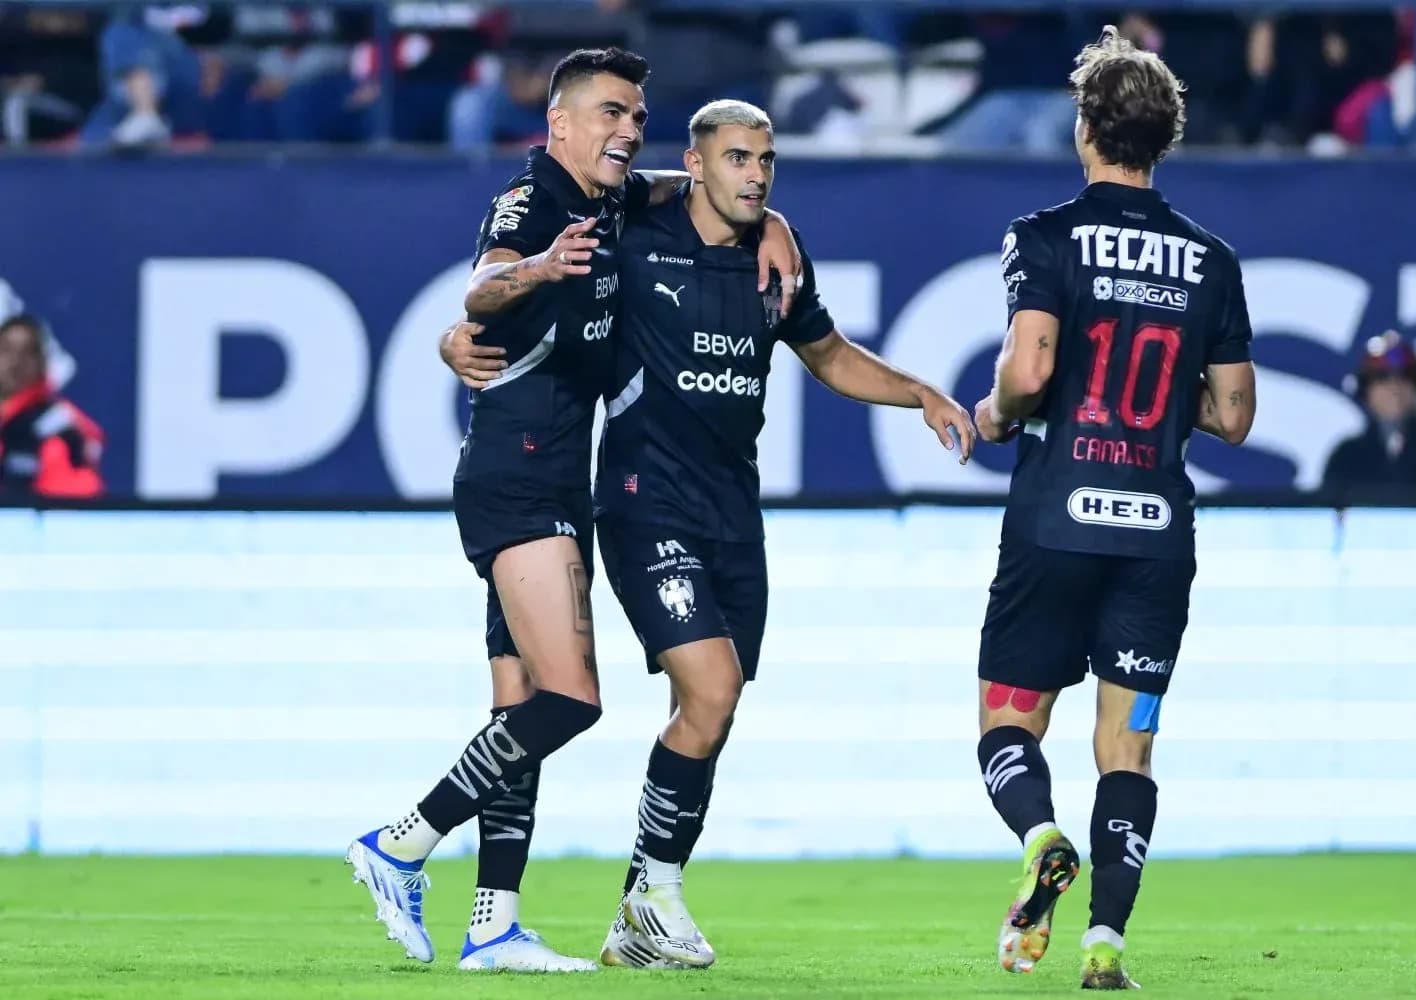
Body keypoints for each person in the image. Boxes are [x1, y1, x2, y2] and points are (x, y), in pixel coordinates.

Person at [346, 48, 802, 974]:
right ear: (559, 122)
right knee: (570, 699)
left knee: (517, 705)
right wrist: (535, 271)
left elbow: (699, 182)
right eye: (609, 113)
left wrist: (778, 221)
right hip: (517, 476)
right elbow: (484, 284)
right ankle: (400, 843)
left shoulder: (614, 198)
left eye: (636, 116)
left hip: (552, 473)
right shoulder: (536, 201)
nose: (628, 130)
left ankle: (492, 924)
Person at [586, 99, 974, 969]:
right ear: (694, 164)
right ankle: (658, 893)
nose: (756, 175)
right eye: (736, 158)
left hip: (732, 514)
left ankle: (639, 912)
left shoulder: (775, 265)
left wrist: (920, 392)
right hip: (645, 501)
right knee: (712, 688)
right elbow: (599, 181)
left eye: (766, 162)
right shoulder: (638, 230)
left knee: (708, 713)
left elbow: (829, 355)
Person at [969, 27, 1256, 990]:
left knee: (1009, 722)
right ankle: (1105, 945)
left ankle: (1041, 836)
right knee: (1127, 746)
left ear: (1085, 128)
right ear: (1165, 137)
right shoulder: (1211, 260)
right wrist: (1169, 397)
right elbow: (1234, 415)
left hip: (1056, 519)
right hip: (1156, 535)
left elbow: (1029, 369)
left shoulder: (1045, 236)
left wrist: (997, 414)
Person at [0, 313, 104, 500]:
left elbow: (73, 498)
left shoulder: (57, 427)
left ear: (42, 363)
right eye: (6, 350)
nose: (16, 362)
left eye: (28, 352)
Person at [1321, 331, 1416, 493]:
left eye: (1406, 376)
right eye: (1382, 377)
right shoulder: (1347, 456)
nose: (1395, 387)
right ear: (1366, 391)